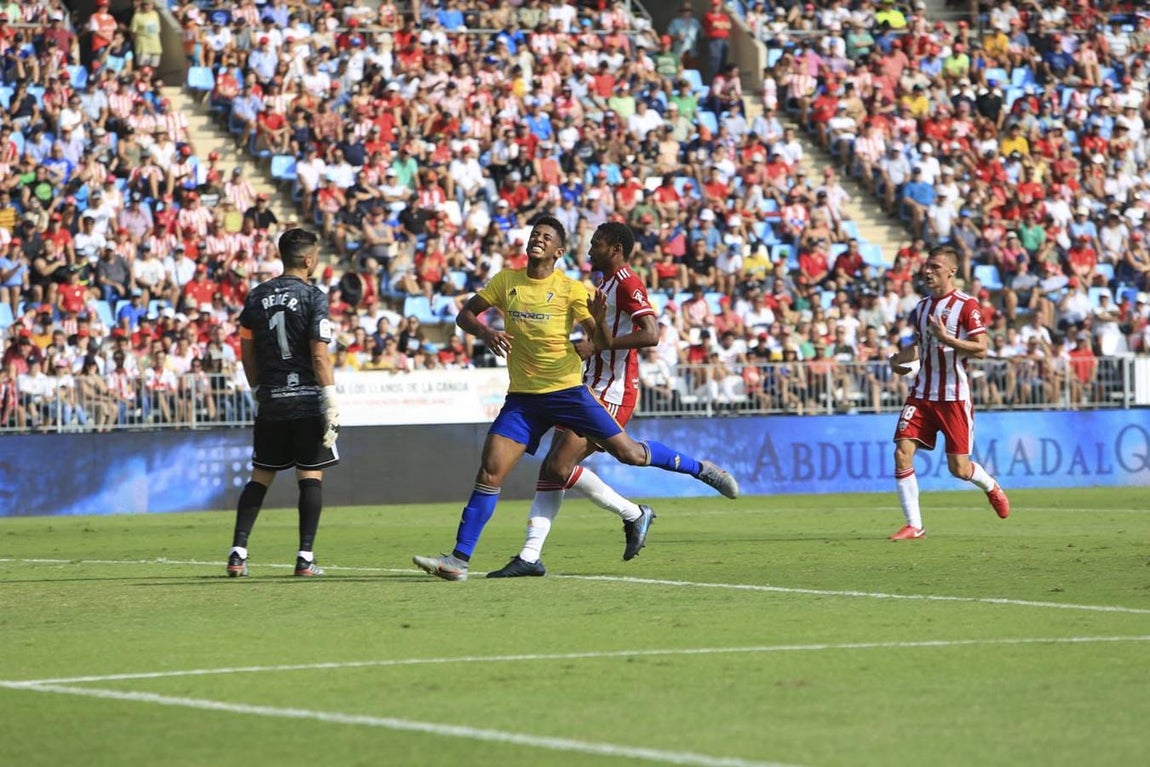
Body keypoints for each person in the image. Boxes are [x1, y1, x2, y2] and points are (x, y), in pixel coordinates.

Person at [413, 218, 738, 582]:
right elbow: (466, 314)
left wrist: (597, 333)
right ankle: (462, 560)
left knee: (625, 454)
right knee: (497, 470)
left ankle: (692, 474)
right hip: (524, 397)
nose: (538, 239)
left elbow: (631, 335)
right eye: (534, 234)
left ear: (558, 251)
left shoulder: (578, 289)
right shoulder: (510, 281)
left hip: (578, 392)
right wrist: (487, 331)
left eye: (546, 237)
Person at [488, 222, 660, 578]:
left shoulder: (627, 282)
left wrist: (601, 344)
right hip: (587, 383)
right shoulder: (603, 285)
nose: (590, 248)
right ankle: (531, 555)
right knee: (554, 468)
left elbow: (651, 334)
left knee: (572, 463)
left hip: (611, 389)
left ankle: (635, 512)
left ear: (614, 249)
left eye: (596, 243)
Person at [226, 228, 340, 578]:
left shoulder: (256, 296)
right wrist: (331, 399)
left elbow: (245, 349)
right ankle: (305, 557)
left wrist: (259, 387)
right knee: (310, 476)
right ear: (308, 259)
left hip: (272, 402)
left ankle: (237, 553)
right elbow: (319, 355)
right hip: (306, 401)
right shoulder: (313, 297)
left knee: (260, 477)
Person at [887, 245, 1011, 540]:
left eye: (935, 267)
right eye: (926, 266)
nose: (927, 272)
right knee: (902, 452)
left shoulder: (967, 306)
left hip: (954, 396)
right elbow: (921, 344)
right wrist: (899, 358)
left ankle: (990, 486)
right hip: (922, 393)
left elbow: (981, 349)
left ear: (952, 271)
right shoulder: (921, 307)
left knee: (959, 468)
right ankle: (915, 525)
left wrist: (948, 338)